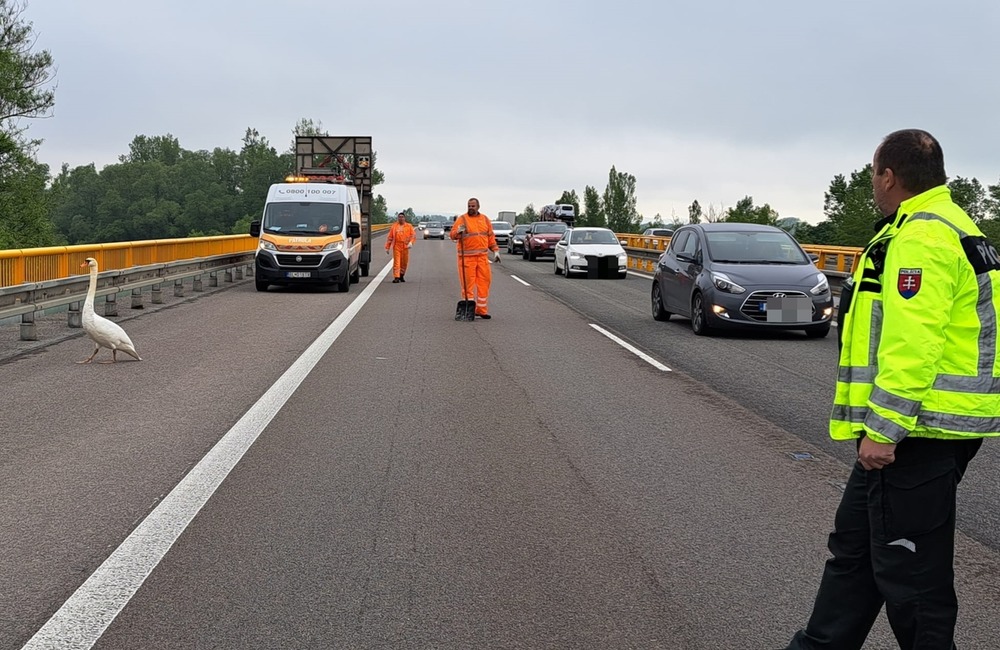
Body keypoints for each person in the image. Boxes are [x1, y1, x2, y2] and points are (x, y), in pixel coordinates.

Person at [783, 129, 1000, 649]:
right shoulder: (956, 226)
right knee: (855, 556)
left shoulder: (922, 239)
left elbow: (912, 347)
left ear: (888, 175)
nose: (872, 184)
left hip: (915, 434)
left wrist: (884, 430)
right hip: (921, 429)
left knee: (913, 582)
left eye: (873, 173)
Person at [450, 197, 500, 319]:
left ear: (478, 207)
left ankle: (481, 310)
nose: (471, 208)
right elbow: (452, 235)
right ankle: (468, 309)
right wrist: (458, 232)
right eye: (469, 206)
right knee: (468, 285)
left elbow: (490, 237)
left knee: (484, 283)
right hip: (466, 258)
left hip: (482, 257)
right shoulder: (462, 219)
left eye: (473, 206)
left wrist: (496, 251)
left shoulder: (485, 219)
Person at [385, 212, 416, 283]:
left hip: (405, 247)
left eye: (402, 217)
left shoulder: (409, 226)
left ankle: (402, 275)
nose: (401, 218)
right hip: (397, 246)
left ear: (404, 218)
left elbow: (413, 235)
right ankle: (396, 277)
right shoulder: (394, 226)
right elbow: (390, 237)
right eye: (399, 217)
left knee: (404, 262)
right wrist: (387, 247)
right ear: (398, 218)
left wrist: (411, 242)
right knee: (397, 262)